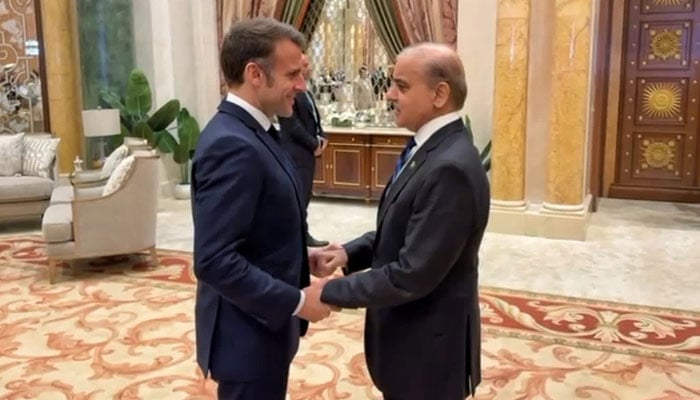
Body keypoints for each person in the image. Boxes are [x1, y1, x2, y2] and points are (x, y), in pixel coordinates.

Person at [310, 43, 490, 400]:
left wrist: (328, 292)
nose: (389, 94)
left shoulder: (449, 168)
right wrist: (348, 254)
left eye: (402, 86)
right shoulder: (430, 149)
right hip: (409, 337)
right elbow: (402, 227)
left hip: (427, 348)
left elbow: (413, 273)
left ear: (440, 94)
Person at [191, 17, 335, 400]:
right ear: (255, 73)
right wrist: (299, 300)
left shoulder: (258, 130)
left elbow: (253, 232)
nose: (302, 86)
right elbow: (215, 260)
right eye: (292, 74)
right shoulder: (232, 145)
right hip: (246, 339)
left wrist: (301, 255)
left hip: (263, 331)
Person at [278, 54, 329, 247]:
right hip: (296, 152)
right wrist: (313, 144)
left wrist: (322, 136)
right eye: (305, 65)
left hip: (307, 152)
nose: (309, 68)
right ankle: (297, 237)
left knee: (304, 196)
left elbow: (314, 118)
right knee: (298, 197)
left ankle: (302, 234)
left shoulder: (306, 90)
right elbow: (292, 125)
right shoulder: (290, 93)